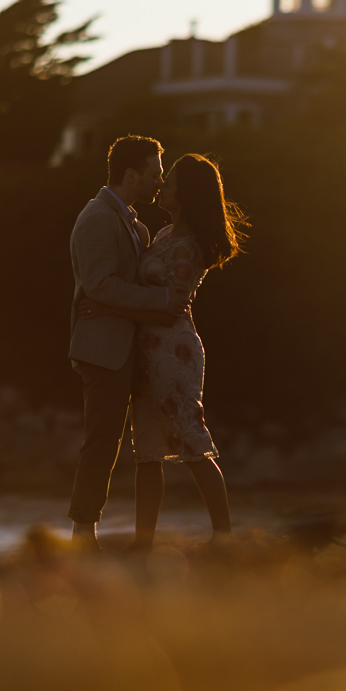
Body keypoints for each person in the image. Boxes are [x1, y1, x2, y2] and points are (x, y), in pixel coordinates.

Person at [76, 153, 247, 549]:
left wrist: (105, 305)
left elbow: (169, 304)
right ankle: (143, 542)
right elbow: (150, 296)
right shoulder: (166, 233)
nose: (161, 186)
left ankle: (223, 536)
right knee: (147, 451)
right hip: (146, 349)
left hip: (173, 350)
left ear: (184, 193)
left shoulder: (187, 246)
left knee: (192, 440)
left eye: (168, 181)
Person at [67, 135, 190, 550]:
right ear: (131, 174)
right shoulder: (98, 217)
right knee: (101, 439)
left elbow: (109, 290)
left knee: (131, 445)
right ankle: (83, 531)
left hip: (128, 345)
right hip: (103, 348)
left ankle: (109, 534)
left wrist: (116, 305)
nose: (159, 180)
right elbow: (99, 284)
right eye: (155, 172)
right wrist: (161, 300)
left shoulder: (134, 222)